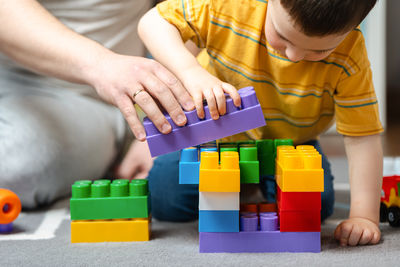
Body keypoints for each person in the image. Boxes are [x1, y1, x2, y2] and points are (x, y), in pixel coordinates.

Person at [139, 0, 383, 246]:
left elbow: (362, 136)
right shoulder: (228, 7)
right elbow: (153, 22)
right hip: (214, 139)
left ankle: (251, 185)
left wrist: (364, 216)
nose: (294, 56)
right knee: (165, 198)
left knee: (316, 206)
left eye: (319, 51)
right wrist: (191, 72)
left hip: (291, 145)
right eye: (282, 36)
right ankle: (247, 185)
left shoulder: (350, 52)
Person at [0, 0, 195, 208]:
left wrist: (159, 126)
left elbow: (192, 16)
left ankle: (117, 140)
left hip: (85, 99)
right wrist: (101, 64)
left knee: (19, 162)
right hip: (15, 75)